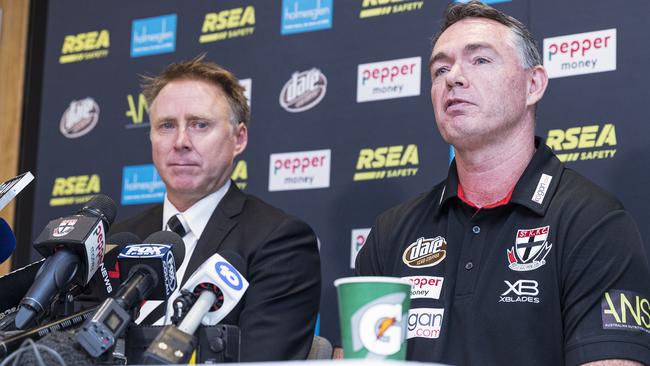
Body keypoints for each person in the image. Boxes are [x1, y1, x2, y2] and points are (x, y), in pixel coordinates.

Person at [355, 2, 650, 365]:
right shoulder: (392, 231)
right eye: (440, 69)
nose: (454, 77)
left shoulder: (593, 223)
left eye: (480, 60)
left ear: (533, 85)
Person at [109, 55, 321, 361]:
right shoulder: (119, 238)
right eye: (166, 125)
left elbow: (259, 359)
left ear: (239, 138)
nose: (181, 141)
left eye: (200, 124)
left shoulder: (281, 241)